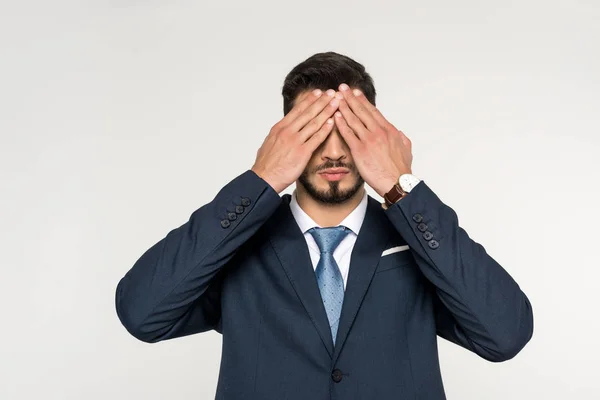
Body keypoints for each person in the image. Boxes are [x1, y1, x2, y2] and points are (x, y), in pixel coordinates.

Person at [115, 51, 534, 399]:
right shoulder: (239, 241)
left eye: (350, 130)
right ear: (285, 136)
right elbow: (142, 314)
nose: (333, 152)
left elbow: (506, 334)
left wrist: (402, 189)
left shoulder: (415, 238)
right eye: (314, 131)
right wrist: (260, 180)